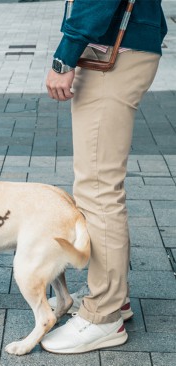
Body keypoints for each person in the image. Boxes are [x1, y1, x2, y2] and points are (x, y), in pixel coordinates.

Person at [41, 0, 167, 354]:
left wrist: (65, 54)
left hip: (114, 47)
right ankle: (114, 298)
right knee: (99, 186)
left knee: (97, 189)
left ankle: (104, 315)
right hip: (123, 41)